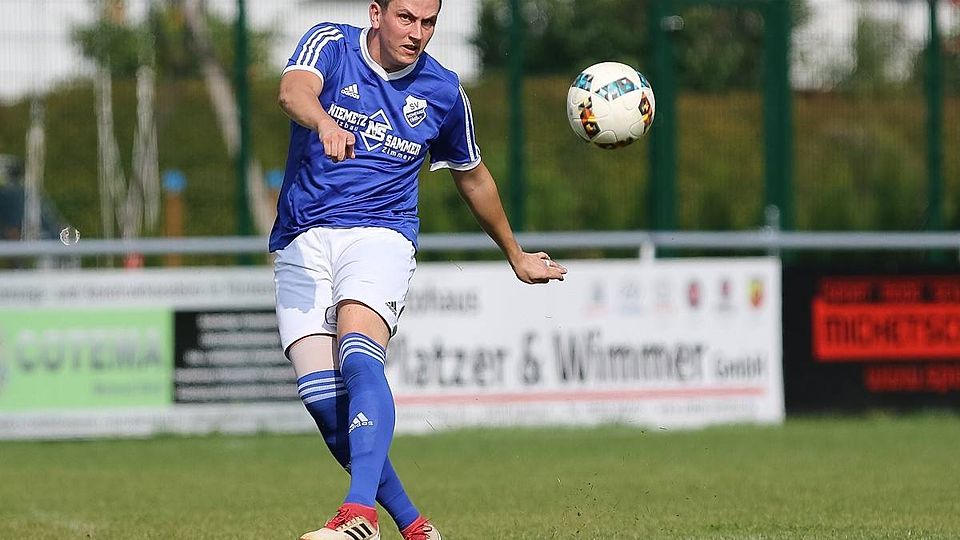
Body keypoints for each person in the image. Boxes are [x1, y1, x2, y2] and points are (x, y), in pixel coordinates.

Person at [271, 1, 567, 538]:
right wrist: (324, 121)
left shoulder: (444, 90)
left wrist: (516, 254)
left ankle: (359, 513)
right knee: (322, 401)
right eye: (406, 18)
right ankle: (415, 527)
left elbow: (472, 176)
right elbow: (293, 91)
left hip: (380, 234)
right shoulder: (330, 43)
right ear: (377, 13)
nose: (418, 33)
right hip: (302, 237)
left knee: (359, 354)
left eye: (429, 22)